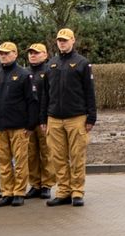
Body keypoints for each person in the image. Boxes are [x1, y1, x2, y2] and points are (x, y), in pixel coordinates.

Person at [41, 28, 96, 208]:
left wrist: (91, 117)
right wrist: (43, 118)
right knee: (58, 157)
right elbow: (45, 94)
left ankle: (77, 192)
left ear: (73, 41)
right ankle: (63, 191)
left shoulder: (82, 63)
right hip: (54, 118)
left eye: (65, 40)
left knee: (77, 156)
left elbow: (89, 91)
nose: (62, 43)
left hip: (76, 117)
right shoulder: (51, 64)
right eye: (59, 40)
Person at [0, 42, 38, 207]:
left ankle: (19, 192)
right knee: (3, 162)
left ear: (15, 54)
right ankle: (7, 192)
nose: (3, 56)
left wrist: (30, 125)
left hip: (19, 127)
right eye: (1, 53)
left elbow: (32, 101)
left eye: (7, 53)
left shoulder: (24, 75)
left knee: (20, 161)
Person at [23, 43, 50, 199]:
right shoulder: (24, 73)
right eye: (30, 53)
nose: (33, 55)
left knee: (46, 153)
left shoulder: (48, 71)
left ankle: (47, 184)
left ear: (45, 55)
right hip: (28, 121)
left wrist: (45, 118)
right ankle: (35, 184)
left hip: (44, 120)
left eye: (36, 53)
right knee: (31, 154)